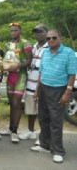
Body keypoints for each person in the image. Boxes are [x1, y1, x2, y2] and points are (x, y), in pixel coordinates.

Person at [31, 30, 77, 163]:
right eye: (48, 38)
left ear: (60, 38)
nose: (50, 40)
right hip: (44, 88)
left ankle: (58, 150)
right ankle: (45, 144)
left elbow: (72, 75)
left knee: (56, 121)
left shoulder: (68, 53)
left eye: (53, 37)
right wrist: (37, 90)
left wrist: (67, 93)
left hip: (58, 90)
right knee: (43, 117)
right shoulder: (45, 52)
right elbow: (41, 72)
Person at [0, 23, 32, 143]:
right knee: (11, 103)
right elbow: (3, 59)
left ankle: (15, 131)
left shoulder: (25, 43)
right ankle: (10, 128)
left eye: (15, 30)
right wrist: (3, 67)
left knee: (16, 102)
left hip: (20, 76)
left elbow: (29, 61)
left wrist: (19, 65)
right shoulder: (7, 44)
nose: (13, 33)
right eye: (11, 31)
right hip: (10, 76)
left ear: (20, 31)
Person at [19, 25, 48, 142]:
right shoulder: (34, 47)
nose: (38, 34)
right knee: (31, 110)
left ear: (46, 32)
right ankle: (31, 131)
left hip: (42, 84)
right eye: (36, 32)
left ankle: (43, 136)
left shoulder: (49, 47)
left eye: (41, 32)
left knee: (42, 111)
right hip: (30, 83)